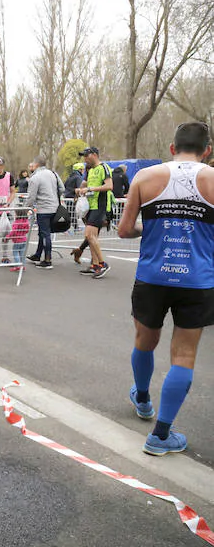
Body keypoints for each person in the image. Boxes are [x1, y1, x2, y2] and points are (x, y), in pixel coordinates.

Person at [118, 122, 214, 456]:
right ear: (208, 150)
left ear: (172, 148)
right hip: (198, 280)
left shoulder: (145, 177)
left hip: (152, 277)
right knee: (184, 355)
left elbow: (124, 230)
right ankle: (160, 435)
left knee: (145, 341)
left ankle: (143, 399)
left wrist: (152, 227)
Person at [74, 147, 113, 278]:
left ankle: (102, 264)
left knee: (89, 235)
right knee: (92, 238)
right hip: (90, 206)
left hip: (100, 206)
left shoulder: (104, 167)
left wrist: (90, 188)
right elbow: (85, 183)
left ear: (95, 155)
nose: (85, 159)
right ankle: (94, 265)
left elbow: (109, 186)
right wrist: (80, 190)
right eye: (83, 156)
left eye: (86, 156)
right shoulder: (90, 170)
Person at [24, 155, 64, 269]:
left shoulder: (35, 177)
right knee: (44, 232)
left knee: (45, 234)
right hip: (55, 207)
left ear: (36, 164)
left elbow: (31, 197)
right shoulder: (53, 174)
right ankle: (37, 255)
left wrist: (25, 209)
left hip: (43, 209)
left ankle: (47, 260)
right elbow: (62, 189)